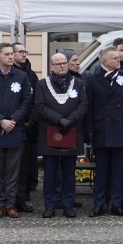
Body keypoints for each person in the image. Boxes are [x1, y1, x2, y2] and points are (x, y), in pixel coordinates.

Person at [0, 42, 32, 218]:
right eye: (7, 54)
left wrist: (13, 120)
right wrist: (1, 120)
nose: (11, 56)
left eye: (12, 54)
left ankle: (10, 204)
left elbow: (26, 101)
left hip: (15, 129)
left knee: (12, 170)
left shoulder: (22, 76)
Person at [86, 46, 123, 217]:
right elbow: (89, 107)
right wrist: (89, 130)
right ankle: (100, 203)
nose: (120, 60)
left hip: (120, 130)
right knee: (101, 171)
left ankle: (116, 204)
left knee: (118, 171)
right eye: (115, 58)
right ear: (105, 62)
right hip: (101, 129)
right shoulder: (93, 79)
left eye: (119, 57)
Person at [34, 51, 88, 218]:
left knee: (68, 172)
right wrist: (59, 120)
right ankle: (49, 206)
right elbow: (40, 106)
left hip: (71, 132)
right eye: (59, 63)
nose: (63, 65)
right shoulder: (42, 84)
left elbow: (83, 105)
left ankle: (68, 205)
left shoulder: (77, 83)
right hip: (50, 133)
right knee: (50, 172)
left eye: (64, 63)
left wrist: (70, 120)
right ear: (51, 66)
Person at [12, 41, 40, 212]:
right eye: (20, 52)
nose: (24, 54)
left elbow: (36, 100)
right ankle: (8, 199)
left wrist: (31, 121)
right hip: (10, 124)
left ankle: (21, 198)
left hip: (27, 126)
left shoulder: (31, 75)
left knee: (24, 166)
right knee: (10, 166)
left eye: (25, 51)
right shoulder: (8, 73)